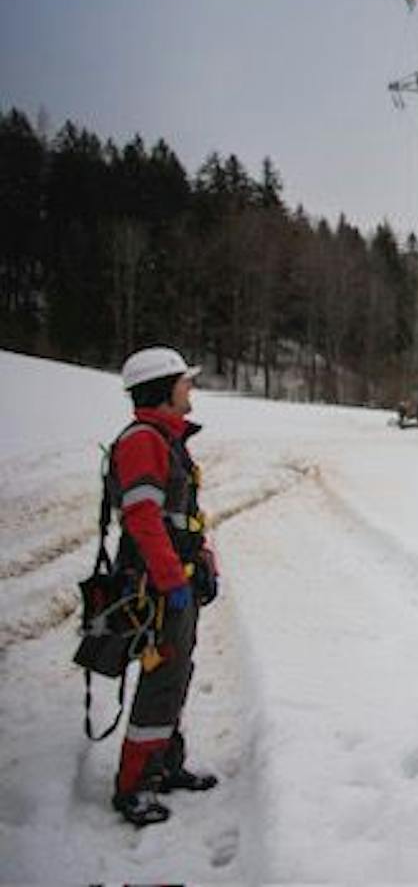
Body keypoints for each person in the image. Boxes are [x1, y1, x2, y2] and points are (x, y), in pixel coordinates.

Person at [105, 346, 220, 827]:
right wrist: (172, 582)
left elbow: (181, 518)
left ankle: (166, 764)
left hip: (180, 581)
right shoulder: (143, 441)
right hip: (157, 588)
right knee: (161, 680)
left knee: (174, 676)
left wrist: (204, 560)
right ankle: (133, 786)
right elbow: (144, 521)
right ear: (163, 389)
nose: (190, 388)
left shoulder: (168, 439)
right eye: (183, 382)